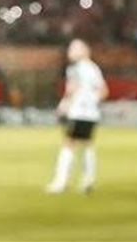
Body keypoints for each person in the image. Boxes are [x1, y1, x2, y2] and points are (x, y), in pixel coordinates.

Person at [46, 39, 109, 194]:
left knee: (68, 144)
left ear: (84, 51)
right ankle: (88, 180)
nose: (70, 52)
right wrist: (91, 102)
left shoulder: (75, 68)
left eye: (74, 49)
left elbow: (71, 90)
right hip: (91, 114)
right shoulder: (95, 68)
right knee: (87, 144)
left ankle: (61, 182)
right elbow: (104, 91)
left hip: (78, 112)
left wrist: (63, 106)